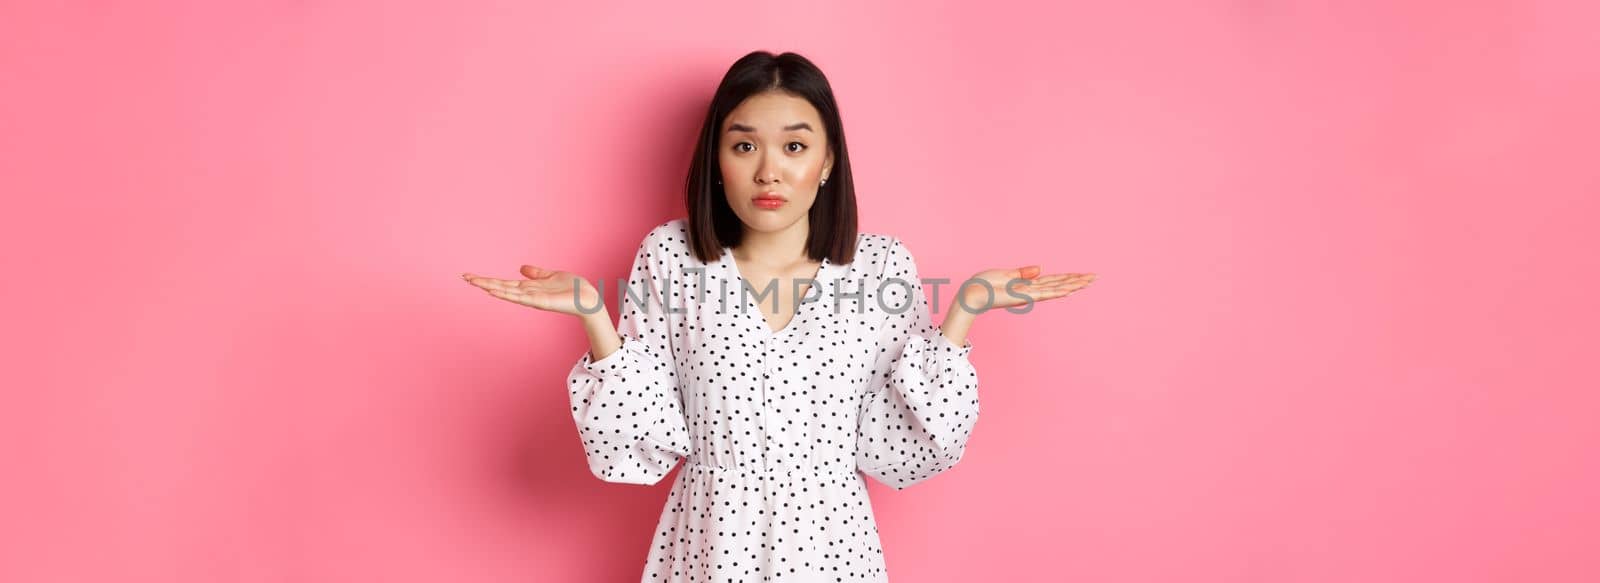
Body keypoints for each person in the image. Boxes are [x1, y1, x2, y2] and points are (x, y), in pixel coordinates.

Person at [462, 50, 1096, 582]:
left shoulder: (879, 269)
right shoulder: (672, 258)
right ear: (717, 160)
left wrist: (961, 316)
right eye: (744, 145)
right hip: (709, 543)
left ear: (825, 163)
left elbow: (898, 447)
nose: (769, 170)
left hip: (832, 548)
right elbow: (641, 446)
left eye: (795, 145)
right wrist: (594, 319)